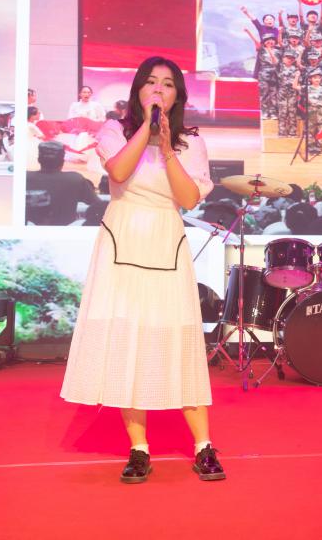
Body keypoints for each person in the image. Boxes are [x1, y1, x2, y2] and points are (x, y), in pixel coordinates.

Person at [60, 57, 224, 484]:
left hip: (165, 238)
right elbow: (118, 170)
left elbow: (188, 198)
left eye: (167, 85)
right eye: (150, 83)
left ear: (177, 96)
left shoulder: (192, 142)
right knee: (126, 338)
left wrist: (167, 147)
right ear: (138, 90)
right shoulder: (114, 131)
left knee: (178, 337)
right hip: (122, 237)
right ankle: (139, 448)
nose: (158, 90)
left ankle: (203, 445)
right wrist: (146, 131)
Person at [26, 141, 105, 225]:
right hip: (66, 231)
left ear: (39, 159)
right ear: (62, 161)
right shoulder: (75, 179)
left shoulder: (26, 178)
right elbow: (98, 205)